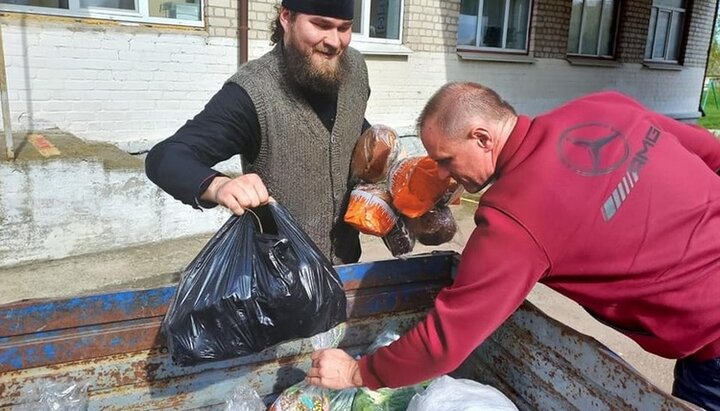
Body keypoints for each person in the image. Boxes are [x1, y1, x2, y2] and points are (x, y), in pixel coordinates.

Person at [306, 82, 720, 409]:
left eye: (447, 160)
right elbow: (711, 153)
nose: (446, 176)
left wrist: (357, 374)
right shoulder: (603, 107)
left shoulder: (515, 215)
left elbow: (445, 341)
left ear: (482, 138)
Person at [145, 0, 371, 264]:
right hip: (279, 280)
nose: (335, 41)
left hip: (347, 268)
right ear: (287, 18)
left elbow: (346, 123)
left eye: (344, 28)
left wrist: (378, 146)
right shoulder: (253, 93)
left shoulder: (354, 68)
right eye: (321, 25)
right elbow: (165, 157)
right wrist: (219, 186)